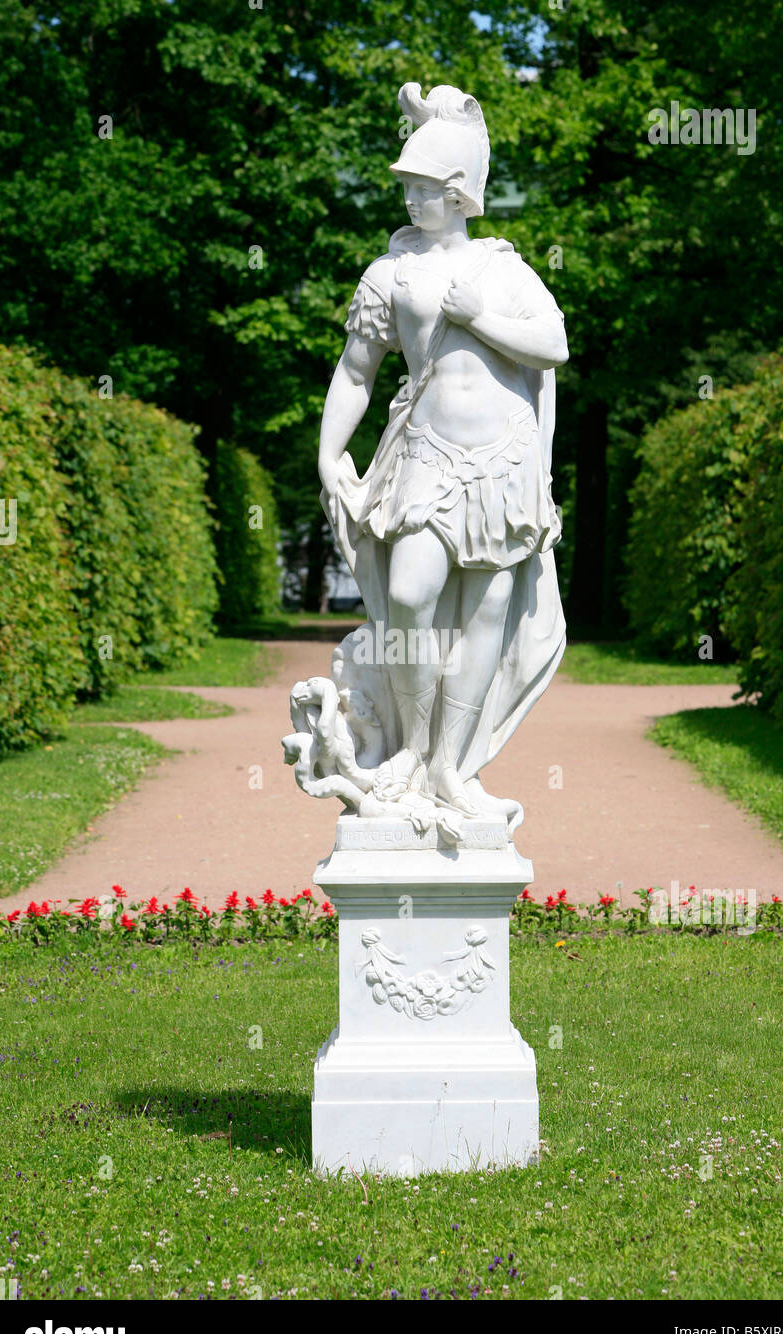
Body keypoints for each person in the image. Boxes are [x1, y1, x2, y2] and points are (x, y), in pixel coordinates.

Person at [318, 83, 568, 823]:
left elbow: (553, 347)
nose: (410, 199)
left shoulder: (503, 270)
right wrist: (329, 452)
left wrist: (479, 316)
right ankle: (412, 751)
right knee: (407, 599)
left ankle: (450, 769)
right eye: (407, 187)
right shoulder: (389, 273)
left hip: (504, 460)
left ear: (459, 194)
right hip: (426, 454)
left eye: (423, 187)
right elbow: (356, 371)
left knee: (490, 614)